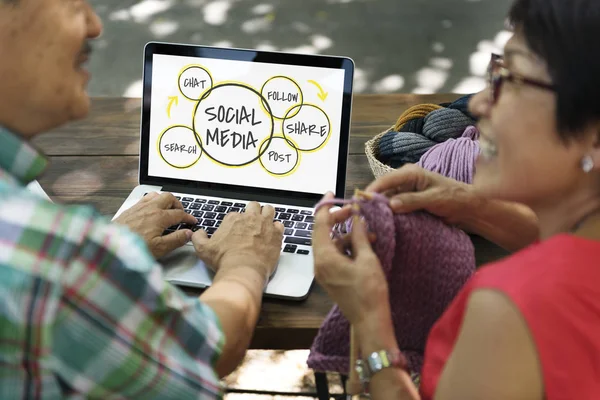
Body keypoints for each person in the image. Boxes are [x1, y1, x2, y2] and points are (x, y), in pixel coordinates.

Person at [313, 0, 600, 398]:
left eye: (512, 79)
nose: (481, 103)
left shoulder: (508, 311)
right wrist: (473, 206)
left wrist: (371, 325)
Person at [0, 0, 283, 398]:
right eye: (73, 5)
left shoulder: (57, 256)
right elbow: (200, 352)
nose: (95, 26)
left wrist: (106, 255)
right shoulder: (56, 258)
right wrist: (246, 263)